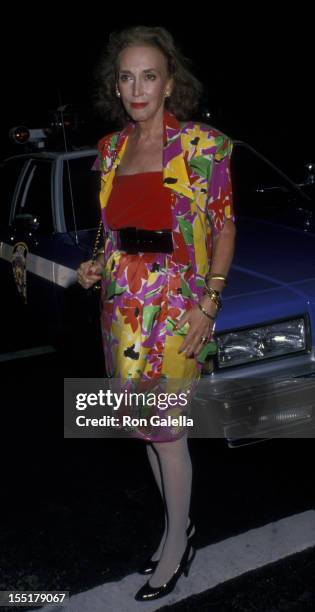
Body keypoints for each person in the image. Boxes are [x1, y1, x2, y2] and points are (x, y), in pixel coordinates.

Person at [76, 25, 236, 602]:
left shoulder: (203, 146)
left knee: (167, 432)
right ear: (115, 87)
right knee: (144, 428)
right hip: (122, 304)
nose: (137, 87)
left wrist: (210, 302)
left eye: (149, 75)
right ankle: (178, 524)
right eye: (126, 76)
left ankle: (176, 548)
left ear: (170, 84)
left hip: (175, 302)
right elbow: (111, 227)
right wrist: (95, 263)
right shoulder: (111, 150)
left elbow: (223, 225)